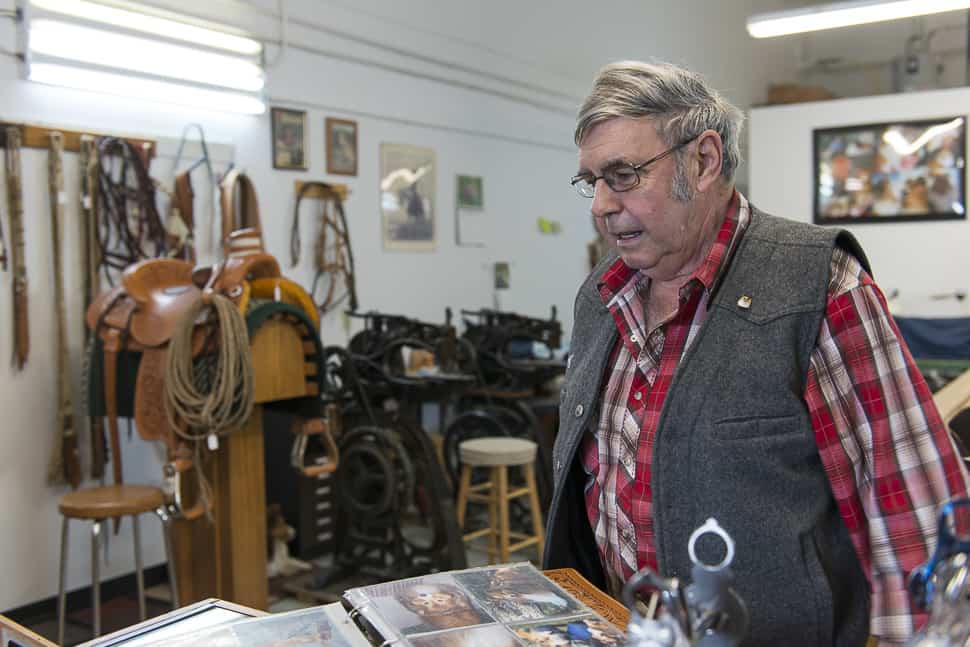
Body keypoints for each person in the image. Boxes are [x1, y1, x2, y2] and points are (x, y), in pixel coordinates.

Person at [543, 60, 970, 646]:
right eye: (590, 181)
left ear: (704, 159)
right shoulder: (601, 296)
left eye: (622, 175)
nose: (599, 205)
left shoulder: (820, 286)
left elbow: (917, 514)